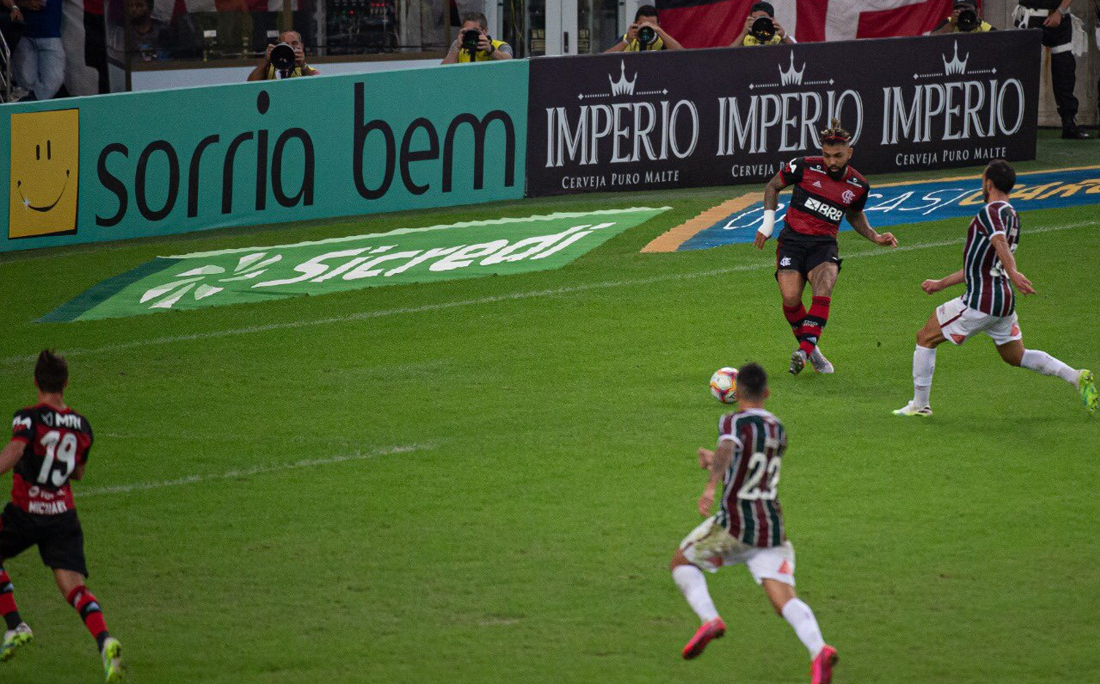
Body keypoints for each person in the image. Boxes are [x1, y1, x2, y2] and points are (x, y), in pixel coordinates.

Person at [669, 363, 839, 684]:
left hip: (736, 523)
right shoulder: (778, 429)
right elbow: (748, 464)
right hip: (771, 528)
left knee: (682, 561)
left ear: (737, 393)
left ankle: (710, 620)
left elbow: (729, 448)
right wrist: (714, 461)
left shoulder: (732, 421)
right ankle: (819, 649)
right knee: (785, 599)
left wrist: (710, 485)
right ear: (767, 393)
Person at [894, 161, 1098, 417]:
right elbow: (981, 265)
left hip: (982, 300)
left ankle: (919, 405)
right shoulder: (1012, 216)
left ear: (988, 183)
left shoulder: (990, 211)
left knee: (925, 337)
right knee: (1015, 355)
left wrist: (1014, 273)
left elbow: (998, 242)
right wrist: (941, 283)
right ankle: (1076, 377)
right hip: (1003, 300)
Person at [0, 351, 124, 682]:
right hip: (62, 518)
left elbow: (16, 450)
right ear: (65, 383)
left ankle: (15, 624)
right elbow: (78, 472)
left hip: (25, 513)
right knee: (75, 589)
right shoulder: (82, 425)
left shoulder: (27, 418)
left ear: (35, 382)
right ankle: (104, 641)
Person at [754, 119, 898, 376]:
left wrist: (875, 237)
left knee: (824, 287)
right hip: (792, 242)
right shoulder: (803, 166)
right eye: (827, 155)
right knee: (790, 298)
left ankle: (804, 351)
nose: (831, 161)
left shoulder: (858, 185)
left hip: (823, 245)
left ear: (849, 153)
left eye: (838, 156)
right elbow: (773, 186)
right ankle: (814, 351)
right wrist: (767, 224)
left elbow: (854, 214)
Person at [1014, 0, 1089, 139]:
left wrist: (1060, 12)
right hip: (1030, 16)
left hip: (1060, 19)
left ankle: (1068, 123)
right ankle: (1019, 125)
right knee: (1024, 73)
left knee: (1065, 71)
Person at [10, 0, 64, 101]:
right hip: (24, 33)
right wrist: (24, 3)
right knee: (26, 82)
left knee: (54, 79)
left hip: (51, 34)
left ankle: (31, 103)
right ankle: (29, 104)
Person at [605, 4, 683, 52]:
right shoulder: (628, 38)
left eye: (651, 25)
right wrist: (627, 41)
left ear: (658, 25)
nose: (646, 29)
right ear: (635, 24)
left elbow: (683, 55)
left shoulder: (662, 40)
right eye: (642, 25)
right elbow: (603, 59)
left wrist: (659, 31)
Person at [441, 12, 513, 64]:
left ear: (485, 31)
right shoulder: (458, 45)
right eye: (467, 31)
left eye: (474, 31)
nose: (470, 35)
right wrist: (456, 48)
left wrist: (490, 50)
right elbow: (444, 70)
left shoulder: (500, 45)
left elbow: (510, 62)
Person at [247, 30, 319, 81]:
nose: (290, 47)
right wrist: (266, 62)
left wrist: (303, 66)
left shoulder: (309, 70)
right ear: (278, 47)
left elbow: (316, 88)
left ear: (302, 46)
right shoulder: (268, 70)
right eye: (286, 44)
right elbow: (250, 86)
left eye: (294, 43)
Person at [930, 1, 995, 34]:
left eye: (967, 9)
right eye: (958, 9)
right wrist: (951, 25)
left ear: (977, 11)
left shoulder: (985, 28)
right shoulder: (949, 22)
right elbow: (930, 40)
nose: (963, 12)